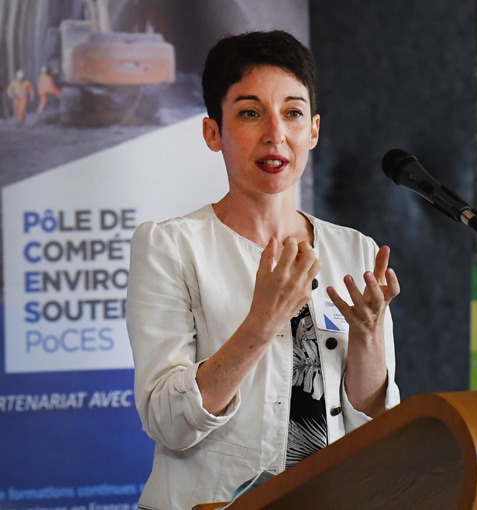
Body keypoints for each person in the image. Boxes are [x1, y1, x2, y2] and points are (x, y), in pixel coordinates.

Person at [126, 30, 401, 510]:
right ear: (214, 132)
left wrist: (370, 336)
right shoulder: (170, 247)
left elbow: (371, 422)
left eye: (293, 113)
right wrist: (261, 324)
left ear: (313, 130)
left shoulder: (353, 249)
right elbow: (167, 422)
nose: (276, 133)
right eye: (250, 113)